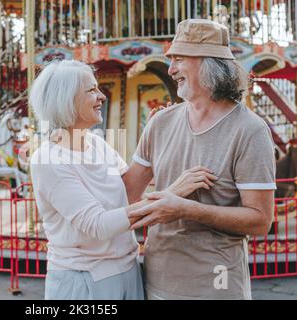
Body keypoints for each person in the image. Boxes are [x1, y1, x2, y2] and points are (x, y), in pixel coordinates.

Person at [29, 59, 217, 300]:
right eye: (91, 90)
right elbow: (99, 225)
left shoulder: (96, 143)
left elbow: (127, 194)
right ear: (65, 98)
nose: (101, 97)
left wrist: (152, 137)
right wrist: (172, 194)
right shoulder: (49, 160)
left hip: (127, 267)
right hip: (86, 278)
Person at [124, 19, 276, 300]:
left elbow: (260, 221)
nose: (170, 70)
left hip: (216, 287)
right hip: (155, 281)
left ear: (208, 62)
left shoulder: (250, 130)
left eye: (179, 59)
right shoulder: (160, 123)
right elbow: (126, 194)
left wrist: (186, 209)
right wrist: (74, 150)